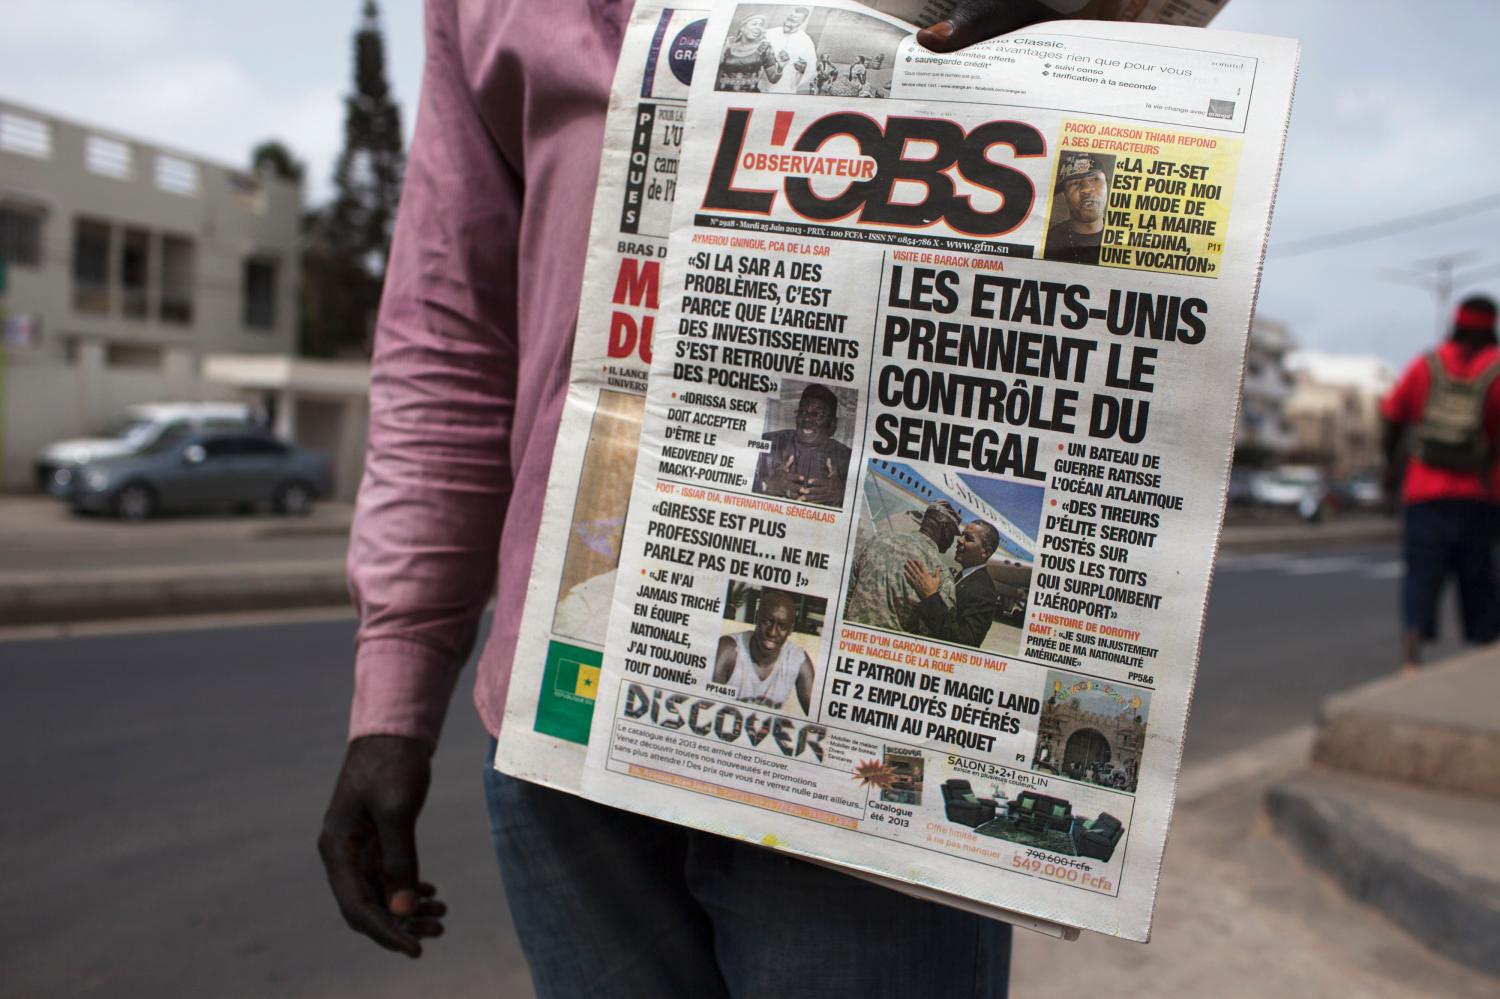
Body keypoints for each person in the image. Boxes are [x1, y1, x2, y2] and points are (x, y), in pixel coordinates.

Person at [317, 3, 1115, 996]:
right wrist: (393, 696)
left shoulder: (931, 550)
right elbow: (451, 334)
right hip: (565, 718)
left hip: (854, 764)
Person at [1381, 295, 1500, 673]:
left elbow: (1392, 415)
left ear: (1456, 322)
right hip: (1481, 494)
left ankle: (1411, 659)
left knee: (1420, 574)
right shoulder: (1496, 368)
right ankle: (1484, 658)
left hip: (1424, 491)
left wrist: (1391, 471)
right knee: (1479, 580)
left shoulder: (1427, 364)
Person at [846, 501, 962, 635]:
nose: (953, 541)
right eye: (952, 534)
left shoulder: (878, 539)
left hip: (850, 635)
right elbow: (941, 628)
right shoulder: (940, 572)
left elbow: (848, 591)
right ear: (945, 529)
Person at [713, 589, 815, 713]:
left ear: (790, 630)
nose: (772, 633)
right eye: (767, 621)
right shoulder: (729, 650)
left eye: (782, 626)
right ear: (757, 618)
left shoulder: (798, 660)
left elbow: (818, 715)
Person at [904, 519, 1001, 647]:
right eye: (962, 535)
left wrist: (931, 596)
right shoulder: (963, 576)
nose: (959, 540)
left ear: (985, 552)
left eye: (968, 538)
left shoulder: (983, 590)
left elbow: (966, 641)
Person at [752, 383, 852, 507]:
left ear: (832, 425)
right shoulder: (768, 441)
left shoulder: (847, 457)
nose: (807, 419)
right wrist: (766, 486)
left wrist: (842, 495)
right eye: (802, 411)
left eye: (817, 414)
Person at [1043, 151, 1109, 265]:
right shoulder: (1047, 242)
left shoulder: (1128, 235)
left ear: (1107, 186)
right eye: (1074, 183)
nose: (1086, 189)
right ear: (1064, 195)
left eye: (1094, 179)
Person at [716, 14, 795, 93]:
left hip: (750, 95)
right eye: (754, 24)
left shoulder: (764, 47)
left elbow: (773, 79)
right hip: (723, 93)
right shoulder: (729, 43)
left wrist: (780, 67)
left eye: (760, 25)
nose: (758, 27)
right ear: (742, 28)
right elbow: (715, 69)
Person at [762, 7, 817, 95]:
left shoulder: (806, 41)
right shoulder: (769, 33)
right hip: (762, 84)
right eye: (788, 19)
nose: (788, 23)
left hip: (785, 87)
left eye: (793, 21)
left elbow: (811, 67)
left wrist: (802, 69)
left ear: (802, 22)